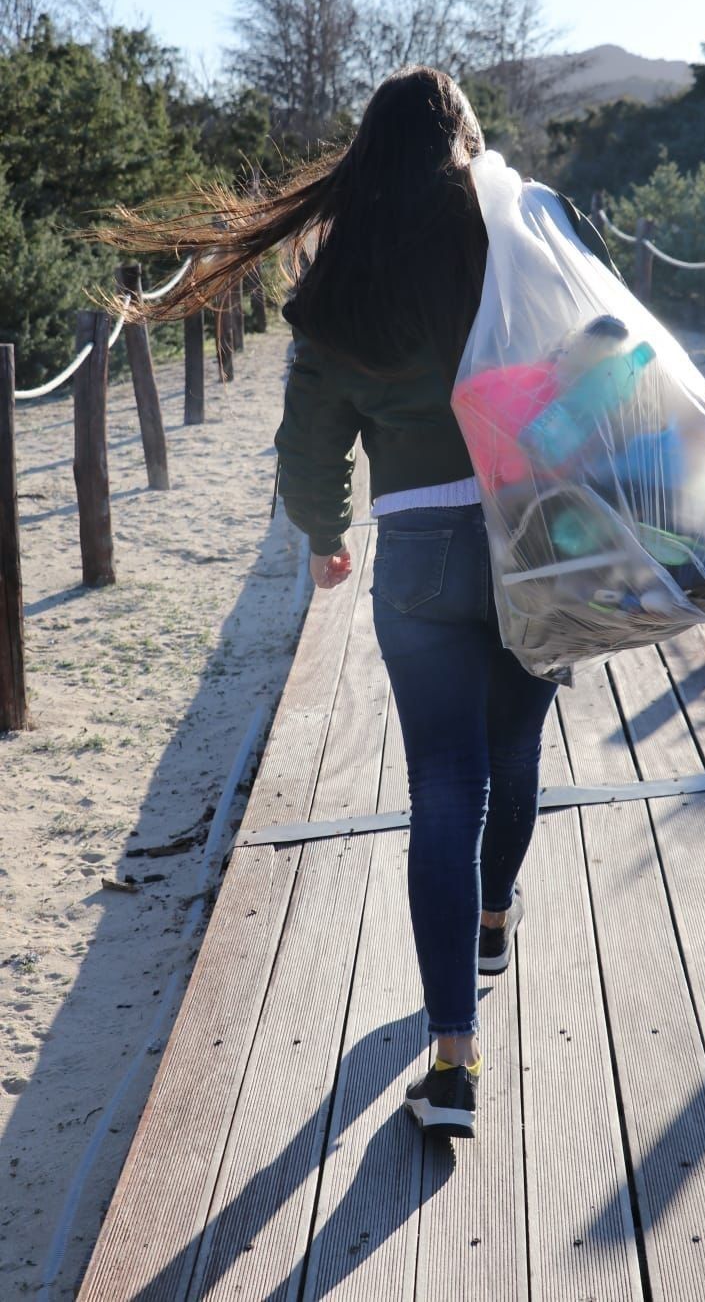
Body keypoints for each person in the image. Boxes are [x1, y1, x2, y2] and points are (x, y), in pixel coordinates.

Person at [92, 66, 619, 1140]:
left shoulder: (341, 280)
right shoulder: (524, 229)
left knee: (440, 786)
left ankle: (453, 1062)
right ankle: (490, 919)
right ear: (464, 135)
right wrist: (552, 442)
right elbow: (611, 349)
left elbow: (306, 444)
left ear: (365, 155)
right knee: (515, 751)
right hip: (534, 532)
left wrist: (326, 536)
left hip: (420, 550)